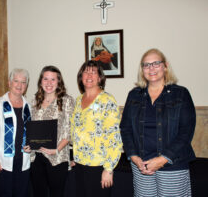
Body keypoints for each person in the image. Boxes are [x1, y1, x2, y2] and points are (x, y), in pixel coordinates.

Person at [120, 48, 196, 197]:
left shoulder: (181, 94)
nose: (151, 68)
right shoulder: (134, 95)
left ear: (165, 66)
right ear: (142, 70)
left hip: (172, 164)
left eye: (156, 63)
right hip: (141, 165)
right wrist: (134, 156)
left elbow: (186, 132)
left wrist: (162, 159)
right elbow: (125, 128)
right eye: (146, 65)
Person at [70, 60, 122, 197]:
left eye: (93, 72)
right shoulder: (78, 100)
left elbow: (114, 137)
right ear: (81, 77)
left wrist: (109, 169)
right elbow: (76, 130)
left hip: (99, 166)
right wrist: (77, 154)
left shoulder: (107, 100)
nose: (89, 75)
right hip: (80, 164)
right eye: (86, 72)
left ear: (100, 78)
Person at [26, 65, 74, 197]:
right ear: (40, 81)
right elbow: (30, 127)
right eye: (45, 79)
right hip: (37, 156)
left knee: (56, 194)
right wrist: (28, 145)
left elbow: (70, 129)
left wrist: (57, 149)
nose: (49, 83)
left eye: (53, 79)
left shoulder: (66, 101)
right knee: (38, 193)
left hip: (57, 157)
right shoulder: (35, 101)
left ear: (59, 82)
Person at [0, 68, 31, 197]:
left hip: (23, 161)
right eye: (16, 81)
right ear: (9, 83)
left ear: (26, 86)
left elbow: (31, 132)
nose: (19, 85)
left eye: (23, 82)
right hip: (2, 162)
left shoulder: (28, 106)